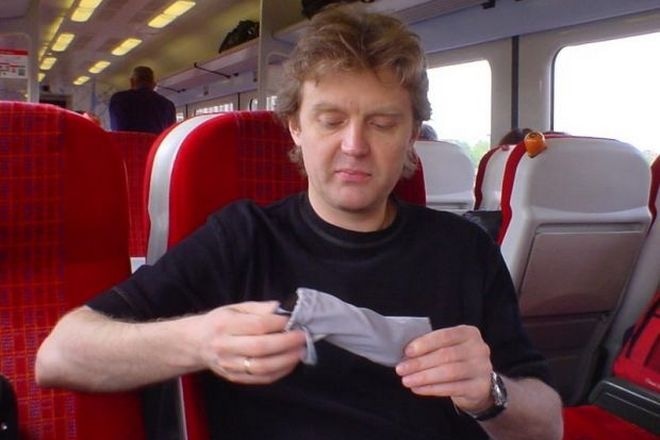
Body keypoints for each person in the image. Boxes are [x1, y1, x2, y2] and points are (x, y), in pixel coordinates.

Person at [35, 6, 563, 440]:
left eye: (382, 123)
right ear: (295, 128)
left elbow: (547, 425)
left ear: (411, 136)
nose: (354, 145)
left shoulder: (463, 248)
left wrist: (490, 393)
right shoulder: (242, 238)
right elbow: (60, 355)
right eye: (330, 120)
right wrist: (201, 341)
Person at [108, 65, 176, 134]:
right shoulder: (168, 105)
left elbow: (117, 130)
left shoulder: (119, 99)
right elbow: (170, 134)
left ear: (132, 82)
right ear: (153, 84)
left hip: (129, 140)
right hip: (157, 141)